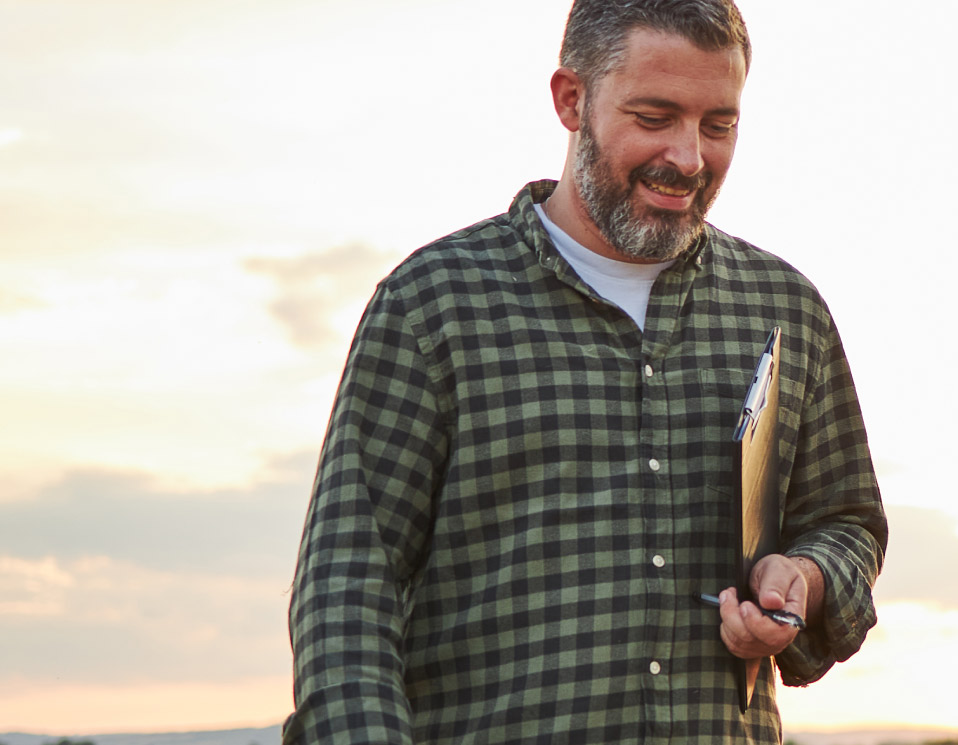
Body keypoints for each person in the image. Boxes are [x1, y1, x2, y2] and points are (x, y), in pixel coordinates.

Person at [282, 1, 887, 742]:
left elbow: (847, 522)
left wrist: (807, 577)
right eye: (655, 116)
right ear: (572, 100)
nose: (689, 157)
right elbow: (347, 593)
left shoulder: (785, 308)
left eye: (718, 125)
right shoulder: (433, 306)